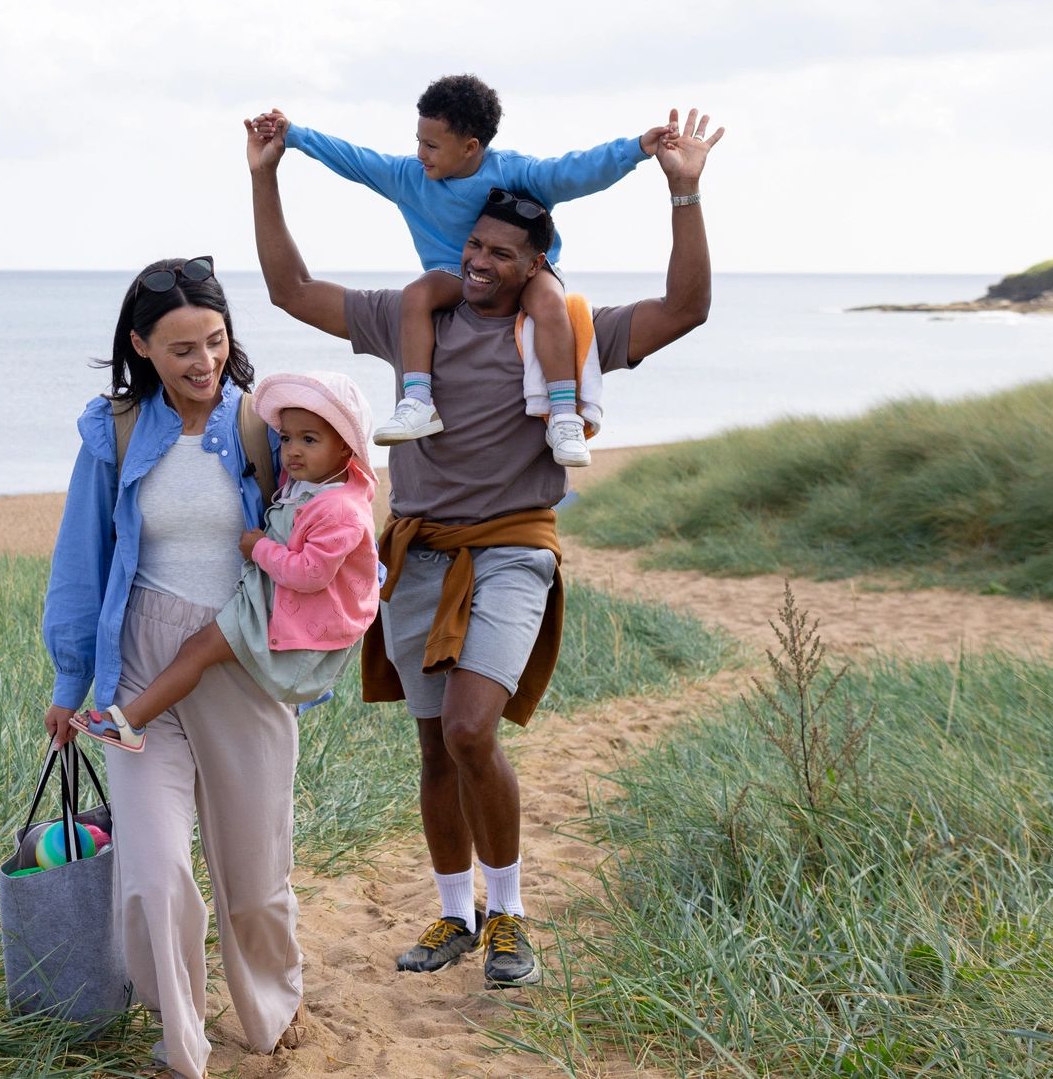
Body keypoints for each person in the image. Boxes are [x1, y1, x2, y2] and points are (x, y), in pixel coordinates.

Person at [244, 106, 725, 989]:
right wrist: (266, 176)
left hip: (511, 551)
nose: (480, 262)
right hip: (419, 554)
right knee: (435, 747)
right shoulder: (409, 320)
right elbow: (290, 290)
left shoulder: (563, 329)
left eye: (503, 253)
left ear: (538, 264)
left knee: (473, 729)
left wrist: (684, 193)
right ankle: (455, 913)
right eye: (476, 247)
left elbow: (685, 308)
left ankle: (509, 916)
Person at [40, 256, 303, 1078]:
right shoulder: (115, 430)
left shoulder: (268, 425)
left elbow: (330, 528)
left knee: (254, 874)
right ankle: (180, 1033)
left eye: (216, 342)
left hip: (241, 659)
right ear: (141, 346)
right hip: (139, 669)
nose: (203, 363)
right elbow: (81, 559)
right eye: (182, 348)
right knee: (153, 874)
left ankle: (269, 1004)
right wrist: (69, 681)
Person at [252, 76, 672, 467]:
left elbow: (576, 171)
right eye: (418, 141)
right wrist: (296, 136)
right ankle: (417, 401)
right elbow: (355, 159)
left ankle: (564, 415)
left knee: (550, 302)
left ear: (471, 147)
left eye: (432, 146)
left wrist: (634, 149)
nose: (421, 154)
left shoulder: (516, 172)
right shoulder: (408, 177)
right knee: (417, 294)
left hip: (523, 275)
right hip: (452, 276)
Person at [74, 370, 380, 751]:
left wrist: (259, 549)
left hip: (285, 616)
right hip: (266, 604)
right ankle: (133, 719)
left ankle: (132, 721)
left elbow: (311, 573)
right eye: (286, 438)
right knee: (197, 653)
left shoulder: (340, 509)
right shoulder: (313, 485)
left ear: (346, 448)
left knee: (197, 651)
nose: (293, 450)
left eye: (309, 439)